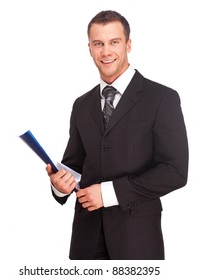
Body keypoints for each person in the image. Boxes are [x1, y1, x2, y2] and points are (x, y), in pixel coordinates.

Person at [46, 10, 188, 260]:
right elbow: (75, 166)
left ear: (128, 44)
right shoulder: (82, 104)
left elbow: (175, 171)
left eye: (114, 42)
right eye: (98, 43)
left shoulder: (161, 98)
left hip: (137, 240)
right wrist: (59, 186)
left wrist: (110, 193)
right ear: (89, 48)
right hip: (86, 242)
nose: (106, 51)